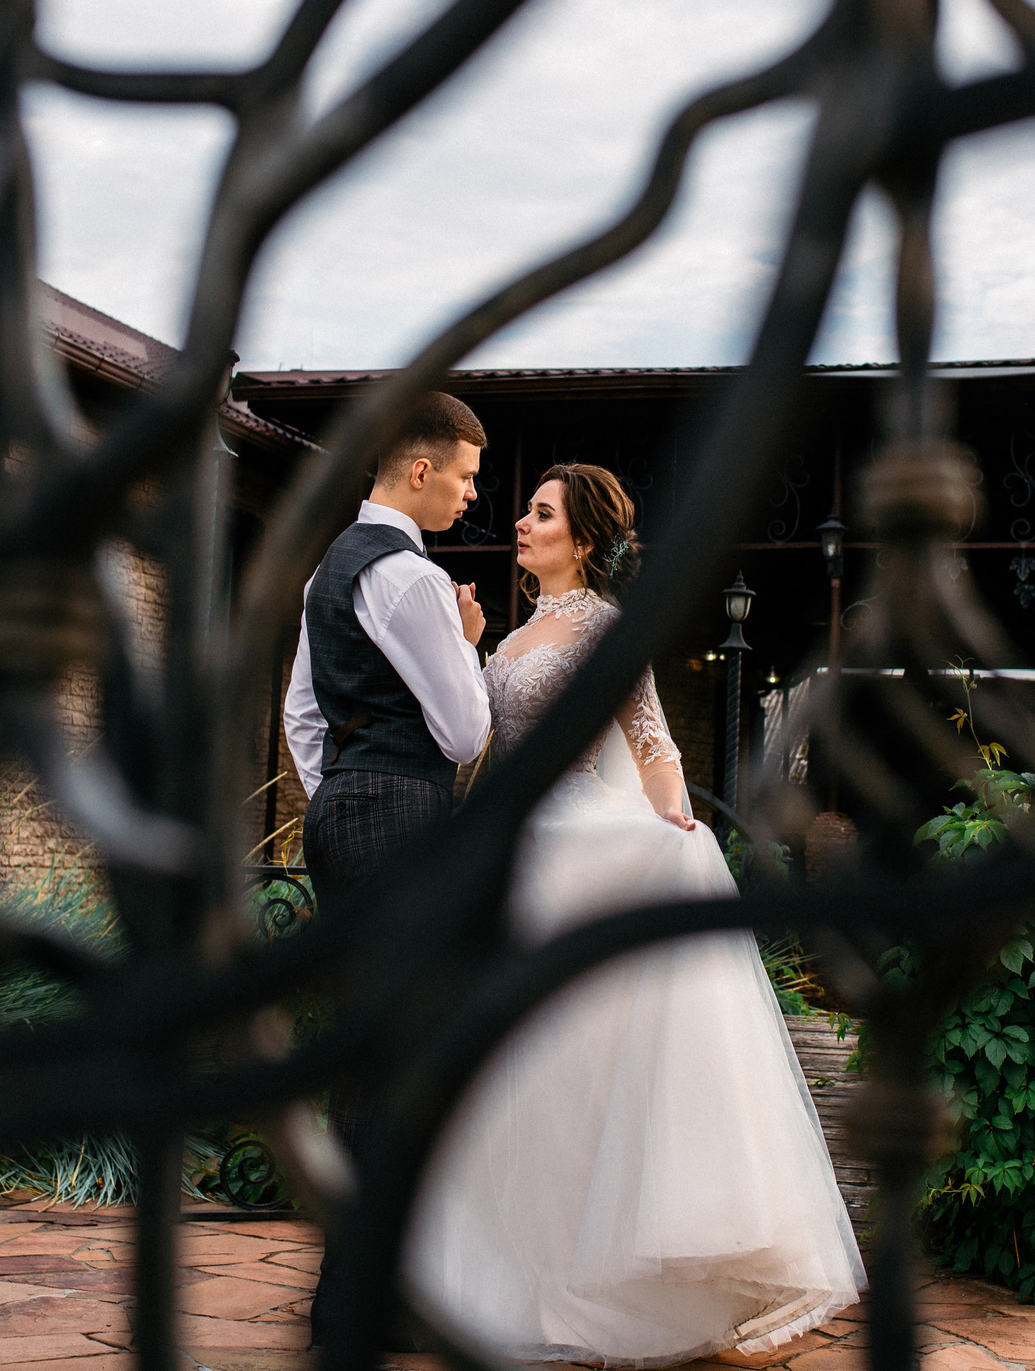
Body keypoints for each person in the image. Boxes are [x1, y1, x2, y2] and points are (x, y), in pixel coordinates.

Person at [406, 463, 864, 1369]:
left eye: (541, 513)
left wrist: (675, 828)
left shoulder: (607, 630)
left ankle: (604, 1283)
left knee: (574, 1061)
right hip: (513, 860)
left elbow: (654, 747)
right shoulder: (514, 636)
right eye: (527, 509)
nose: (521, 522)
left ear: (581, 540)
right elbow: (478, 747)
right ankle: (507, 1276)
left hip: (580, 855)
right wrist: (468, 648)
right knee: (514, 1068)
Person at [283, 389, 491, 1350]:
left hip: (342, 814)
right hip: (403, 816)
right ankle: (358, 1304)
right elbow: (466, 730)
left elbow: (302, 715)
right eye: (465, 475)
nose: (470, 494)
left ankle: (357, 1291)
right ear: (420, 469)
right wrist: (467, 645)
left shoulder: (328, 568)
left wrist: (344, 789)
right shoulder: (411, 577)